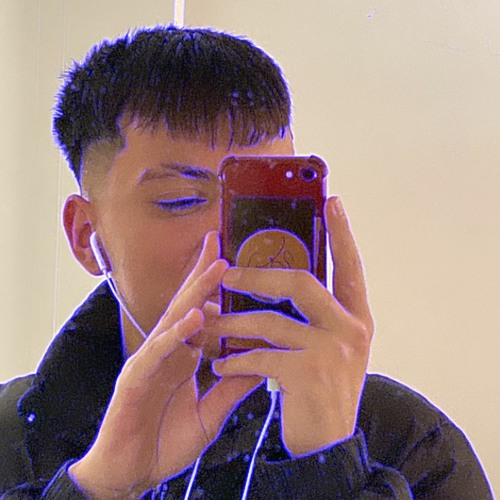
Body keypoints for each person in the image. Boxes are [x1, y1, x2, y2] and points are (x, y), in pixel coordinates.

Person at [0, 25, 492, 499]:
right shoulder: (10, 443)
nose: (231, 242)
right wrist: (95, 489)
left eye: (261, 203)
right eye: (180, 200)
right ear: (86, 237)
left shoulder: (408, 443)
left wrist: (327, 471)